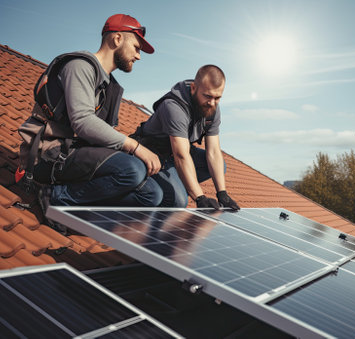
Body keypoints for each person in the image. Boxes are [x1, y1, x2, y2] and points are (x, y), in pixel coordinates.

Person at [17, 14, 164, 222]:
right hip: (48, 154)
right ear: (117, 39)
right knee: (131, 169)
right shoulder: (80, 66)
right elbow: (83, 121)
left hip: (77, 153)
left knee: (152, 194)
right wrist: (135, 147)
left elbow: (106, 136)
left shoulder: (110, 87)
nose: (139, 56)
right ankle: (57, 198)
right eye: (136, 47)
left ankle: (80, 209)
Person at [131, 65, 240, 210]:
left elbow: (213, 152)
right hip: (154, 155)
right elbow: (181, 156)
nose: (212, 103)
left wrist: (222, 194)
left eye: (217, 97)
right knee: (178, 201)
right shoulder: (174, 106)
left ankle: (177, 185)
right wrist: (199, 197)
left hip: (177, 152)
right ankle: (156, 189)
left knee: (221, 166)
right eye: (207, 96)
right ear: (194, 88)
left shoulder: (212, 109)